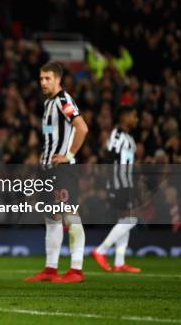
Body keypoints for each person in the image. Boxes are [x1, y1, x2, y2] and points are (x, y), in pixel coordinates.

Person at [25, 61, 89, 283]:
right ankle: (50, 269)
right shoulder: (48, 103)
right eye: (41, 78)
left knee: (71, 216)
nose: (43, 82)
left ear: (58, 79)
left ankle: (76, 270)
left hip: (63, 170)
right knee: (52, 218)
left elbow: (82, 127)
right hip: (47, 170)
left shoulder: (63, 100)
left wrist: (69, 156)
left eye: (47, 78)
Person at [93, 106, 141, 273]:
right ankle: (101, 251)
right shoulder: (117, 135)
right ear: (125, 117)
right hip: (118, 183)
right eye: (134, 116)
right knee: (132, 219)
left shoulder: (129, 137)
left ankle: (120, 262)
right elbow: (108, 158)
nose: (136, 120)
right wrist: (108, 183)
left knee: (125, 220)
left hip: (126, 183)